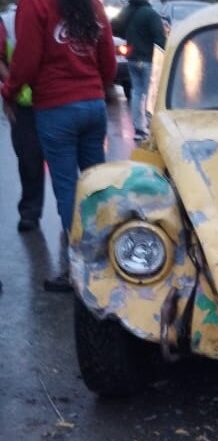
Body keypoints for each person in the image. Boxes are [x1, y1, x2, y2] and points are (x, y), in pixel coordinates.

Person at [1, 0, 117, 292]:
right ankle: (108, 259)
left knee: (68, 188)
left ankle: (78, 269)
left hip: (56, 107)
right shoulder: (92, 4)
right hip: (93, 105)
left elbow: (26, 60)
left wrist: (9, 92)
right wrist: (93, 88)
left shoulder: (34, 5)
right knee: (96, 184)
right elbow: (108, 59)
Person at [0, 7, 45, 233]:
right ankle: (30, 213)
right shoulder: (7, 21)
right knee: (29, 161)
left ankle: (69, 216)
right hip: (24, 103)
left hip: (51, 99)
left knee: (60, 163)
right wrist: (11, 87)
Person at [112, 0, 165, 141]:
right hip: (148, 59)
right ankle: (151, 126)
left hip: (132, 59)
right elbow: (160, 38)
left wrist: (128, 36)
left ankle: (138, 129)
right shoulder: (150, 14)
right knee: (151, 94)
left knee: (136, 92)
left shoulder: (127, 11)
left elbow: (114, 27)